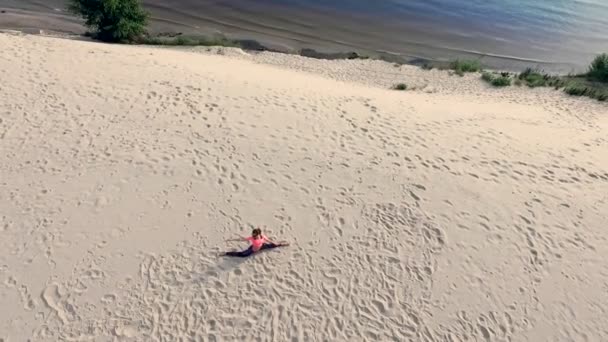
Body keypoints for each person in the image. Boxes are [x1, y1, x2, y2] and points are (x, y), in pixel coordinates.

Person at [221, 228, 289, 257]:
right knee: (242, 255)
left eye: (255, 235)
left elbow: (269, 241)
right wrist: (231, 240)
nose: (253, 236)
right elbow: (241, 239)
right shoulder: (251, 238)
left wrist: (275, 243)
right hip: (253, 249)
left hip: (261, 246)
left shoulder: (262, 236)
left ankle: (282, 244)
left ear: (258, 234)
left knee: (272, 245)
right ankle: (226, 253)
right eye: (253, 234)